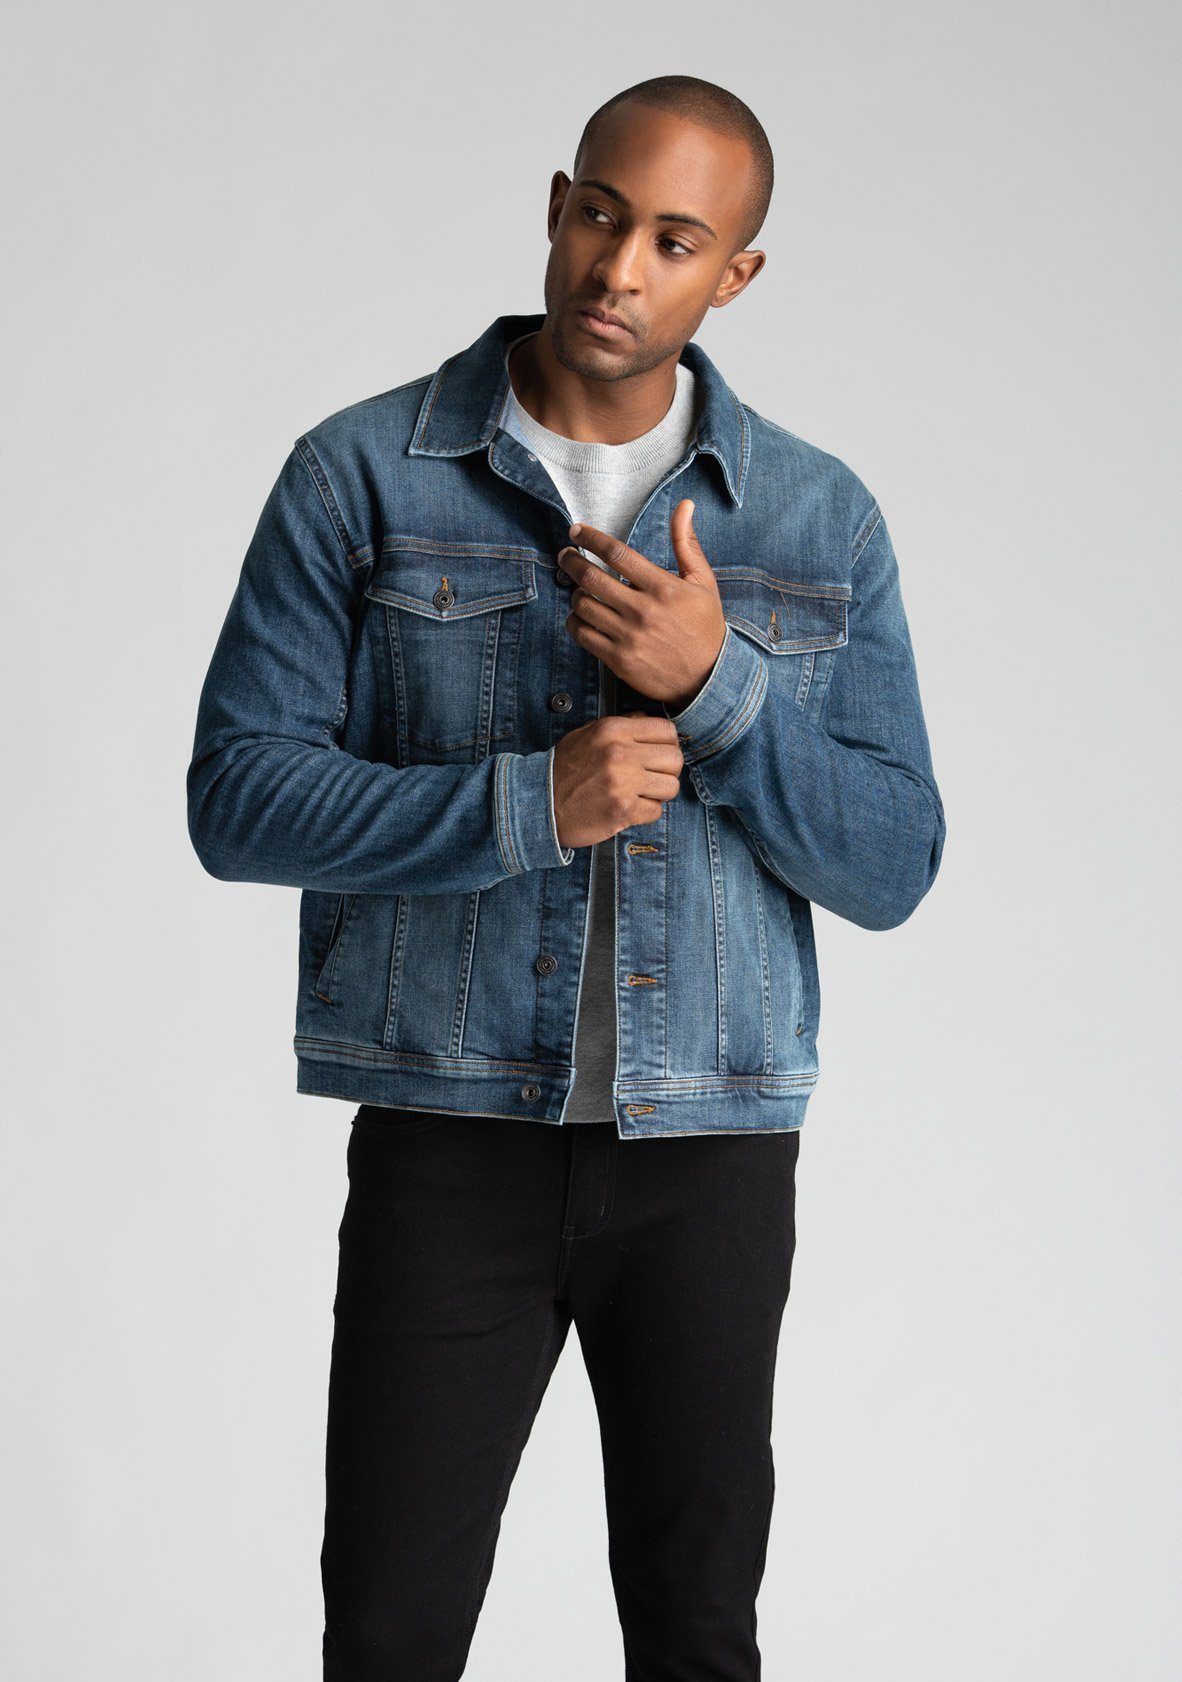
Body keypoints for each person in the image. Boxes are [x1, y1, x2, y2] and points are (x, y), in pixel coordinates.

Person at [187, 73, 946, 1682]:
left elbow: (894, 861)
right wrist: (529, 803)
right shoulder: (362, 473)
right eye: (602, 216)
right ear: (556, 203)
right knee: (389, 1634)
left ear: (734, 274)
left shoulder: (815, 517)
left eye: (675, 240)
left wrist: (720, 687)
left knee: (696, 1630)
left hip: (712, 1150)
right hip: (449, 1132)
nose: (618, 269)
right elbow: (237, 801)